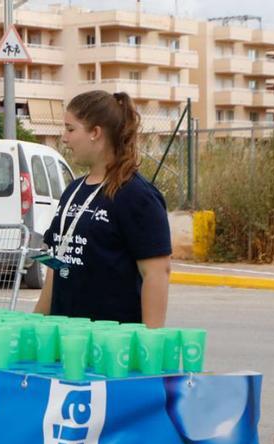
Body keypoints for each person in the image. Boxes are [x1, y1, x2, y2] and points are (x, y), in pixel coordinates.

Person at [33, 91, 172, 327]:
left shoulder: (137, 195)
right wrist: (35, 325)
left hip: (112, 348)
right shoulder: (73, 190)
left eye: (70, 129)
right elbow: (56, 264)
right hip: (65, 341)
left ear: (95, 133)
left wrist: (150, 344)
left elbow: (157, 273)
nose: (64, 138)